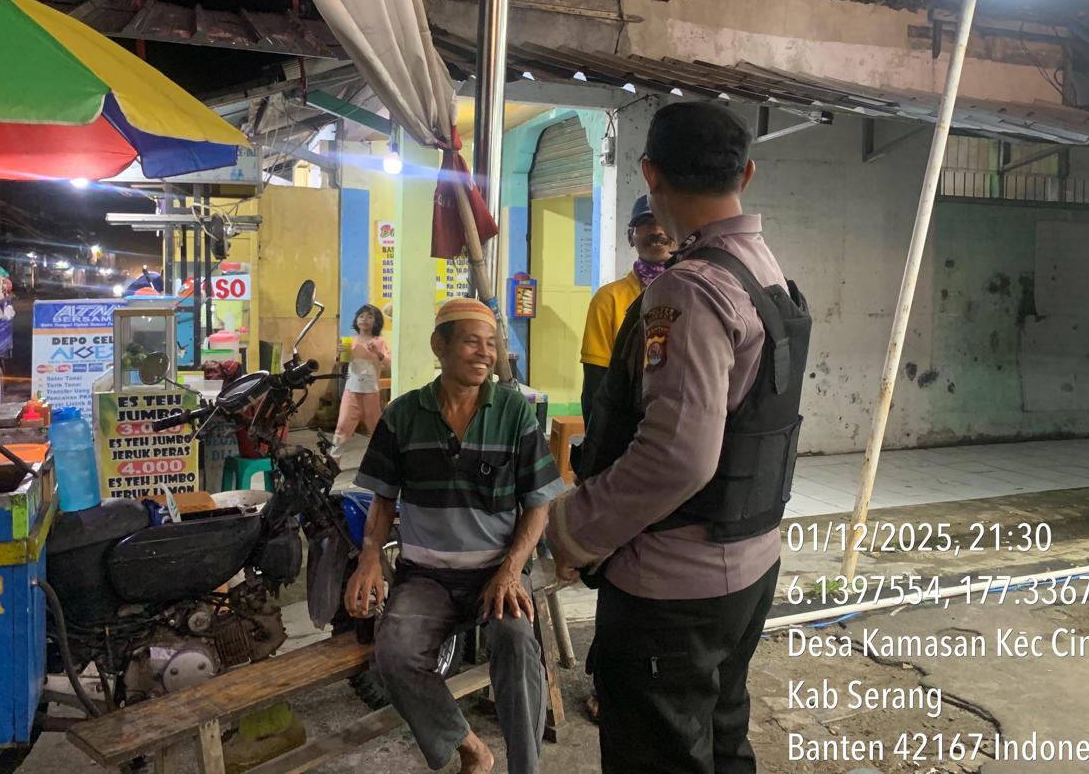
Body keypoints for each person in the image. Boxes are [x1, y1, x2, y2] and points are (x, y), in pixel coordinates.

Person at [546, 102, 810, 774]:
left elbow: (676, 457)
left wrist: (575, 528)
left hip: (674, 586)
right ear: (745, 175)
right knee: (721, 739)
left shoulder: (688, 290)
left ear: (650, 173)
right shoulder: (765, 271)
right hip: (750, 561)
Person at [345, 298, 567, 774]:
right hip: (426, 577)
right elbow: (382, 499)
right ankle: (470, 747)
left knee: (517, 645)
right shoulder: (402, 415)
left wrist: (511, 571)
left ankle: (525, 769)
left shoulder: (514, 412)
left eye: (492, 344)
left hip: (496, 573)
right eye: (472, 342)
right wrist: (369, 559)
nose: (485, 354)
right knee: (394, 656)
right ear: (438, 346)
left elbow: (539, 504)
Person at [579, 195, 674, 425]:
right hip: (626, 427)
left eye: (664, 222)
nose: (657, 231)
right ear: (631, 237)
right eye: (646, 224)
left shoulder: (694, 294)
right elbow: (595, 383)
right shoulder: (608, 299)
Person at [334, 303, 391, 450]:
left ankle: (382, 458)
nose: (364, 319)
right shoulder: (350, 342)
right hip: (351, 391)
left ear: (376, 321)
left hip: (371, 392)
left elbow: (389, 363)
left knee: (376, 429)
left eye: (370, 316)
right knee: (342, 427)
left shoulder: (379, 342)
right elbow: (340, 364)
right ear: (356, 320)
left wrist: (377, 353)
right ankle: (333, 461)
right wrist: (340, 353)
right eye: (361, 316)